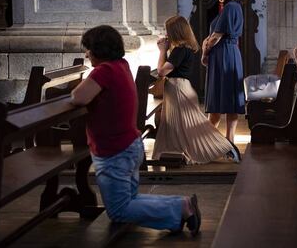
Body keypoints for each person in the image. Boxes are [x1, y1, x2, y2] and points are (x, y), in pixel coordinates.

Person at [70, 25, 201, 235]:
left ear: (99, 50)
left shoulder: (105, 70)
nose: (86, 54)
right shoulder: (120, 65)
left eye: (89, 49)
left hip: (114, 150)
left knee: (119, 210)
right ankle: (182, 204)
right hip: (128, 145)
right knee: (130, 200)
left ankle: (181, 208)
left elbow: (78, 97)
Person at [151, 16, 241, 164]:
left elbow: (161, 72)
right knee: (176, 126)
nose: (166, 35)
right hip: (180, 88)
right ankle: (172, 153)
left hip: (178, 90)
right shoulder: (184, 48)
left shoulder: (180, 50)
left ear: (175, 32)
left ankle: (226, 147)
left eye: (168, 31)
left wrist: (162, 51)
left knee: (195, 127)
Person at [201, 0, 245, 147]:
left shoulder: (229, 8)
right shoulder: (235, 7)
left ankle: (207, 144)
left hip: (223, 55)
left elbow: (216, 37)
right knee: (230, 100)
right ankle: (229, 142)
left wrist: (205, 50)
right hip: (230, 54)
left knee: (219, 100)